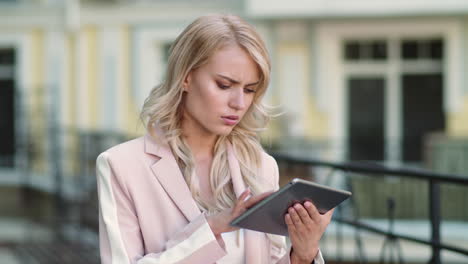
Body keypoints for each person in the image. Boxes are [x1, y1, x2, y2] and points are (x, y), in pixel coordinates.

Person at [96, 14, 333, 264]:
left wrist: (303, 254)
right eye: (223, 85)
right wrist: (212, 228)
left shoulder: (261, 166)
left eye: (249, 89)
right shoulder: (121, 166)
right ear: (185, 77)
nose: (239, 103)